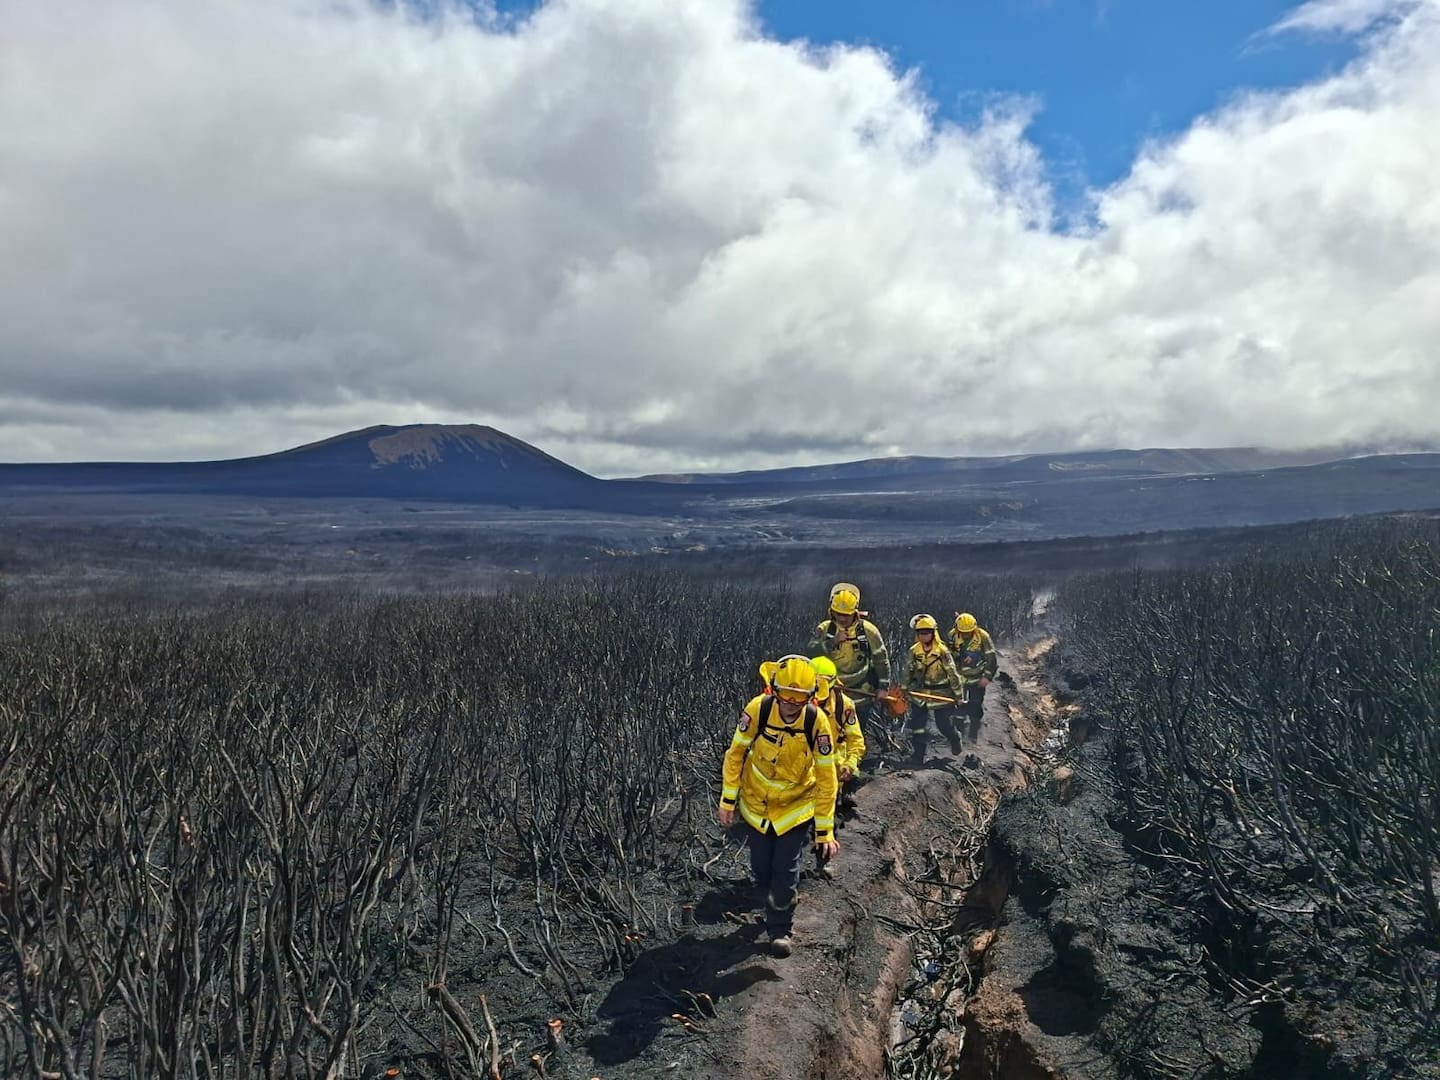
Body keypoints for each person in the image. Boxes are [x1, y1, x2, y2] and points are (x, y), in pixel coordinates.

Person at [719, 655, 840, 957]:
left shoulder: (816, 722)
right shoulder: (757, 709)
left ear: (810, 696)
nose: (790, 705)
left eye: (799, 699)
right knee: (761, 868)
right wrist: (728, 800)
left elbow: (827, 777)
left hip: (795, 809)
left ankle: (780, 928)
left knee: (785, 870)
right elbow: (735, 754)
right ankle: (773, 902)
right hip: (757, 805)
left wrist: (824, 831)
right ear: (774, 690)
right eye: (785, 696)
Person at [809, 582, 891, 719]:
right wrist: (832, 642)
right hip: (830, 693)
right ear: (832, 612)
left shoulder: (868, 631)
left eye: (846, 614)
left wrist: (883, 687)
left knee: (856, 729)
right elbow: (810, 653)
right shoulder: (824, 629)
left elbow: (881, 660)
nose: (842, 618)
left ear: (855, 612)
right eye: (838, 614)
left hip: (861, 694)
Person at [902, 614, 965, 766]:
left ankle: (955, 738)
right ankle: (918, 756)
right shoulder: (914, 651)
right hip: (920, 694)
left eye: (927, 633)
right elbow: (908, 671)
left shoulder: (942, 651)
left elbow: (952, 673)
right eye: (921, 633)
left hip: (941, 694)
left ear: (933, 633)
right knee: (918, 726)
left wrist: (958, 695)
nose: (924, 636)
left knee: (943, 725)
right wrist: (904, 688)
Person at [948, 612, 998, 743]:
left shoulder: (983, 636)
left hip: (977, 677)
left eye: (968, 632)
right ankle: (958, 735)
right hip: (959, 678)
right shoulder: (952, 636)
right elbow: (947, 656)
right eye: (963, 632)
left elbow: (991, 657)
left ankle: (973, 734)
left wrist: (987, 677)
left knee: (975, 704)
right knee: (958, 706)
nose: (965, 635)